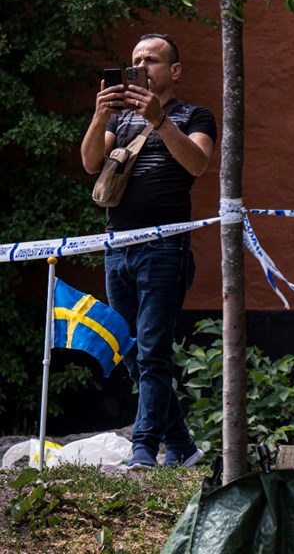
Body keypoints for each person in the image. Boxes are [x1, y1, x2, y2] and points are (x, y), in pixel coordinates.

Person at [81, 33, 217, 469]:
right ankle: (182, 446)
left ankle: (144, 450)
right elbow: (89, 164)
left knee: (154, 349)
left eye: (152, 61)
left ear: (173, 70)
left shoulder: (194, 115)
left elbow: (197, 163)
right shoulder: (118, 121)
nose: (141, 67)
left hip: (164, 248)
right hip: (117, 248)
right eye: (136, 60)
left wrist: (159, 121)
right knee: (131, 350)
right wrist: (100, 113)